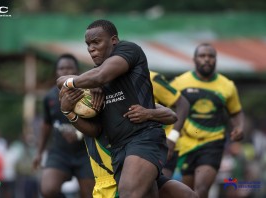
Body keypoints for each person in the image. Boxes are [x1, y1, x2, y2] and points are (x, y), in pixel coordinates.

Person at [57, 19, 169, 198]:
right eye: (88, 44)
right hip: (119, 151)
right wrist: (69, 111)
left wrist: (76, 82)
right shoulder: (93, 82)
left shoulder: (129, 50)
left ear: (114, 40)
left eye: (96, 42)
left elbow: (100, 75)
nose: (91, 48)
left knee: (128, 194)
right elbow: (96, 129)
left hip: (143, 138)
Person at [60, 87, 198, 198]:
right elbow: (63, 80)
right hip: (111, 183)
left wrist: (148, 113)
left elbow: (172, 115)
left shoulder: (127, 99)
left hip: (139, 169)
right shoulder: (90, 113)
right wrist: (69, 111)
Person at [170, 43, 245, 198]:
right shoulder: (179, 82)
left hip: (213, 142)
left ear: (216, 60)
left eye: (210, 56)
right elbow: (165, 106)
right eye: (202, 56)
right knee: (187, 192)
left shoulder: (227, 86)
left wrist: (240, 127)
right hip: (186, 143)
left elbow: (236, 112)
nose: (206, 60)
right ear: (194, 59)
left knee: (202, 189)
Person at [33, 54, 94, 198]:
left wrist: (79, 134)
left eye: (69, 68)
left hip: (85, 153)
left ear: (77, 71)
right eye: (61, 68)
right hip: (59, 153)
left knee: (90, 195)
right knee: (48, 190)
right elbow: (46, 125)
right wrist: (39, 152)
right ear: (56, 72)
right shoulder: (49, 97)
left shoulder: (88, 94)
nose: (65, 71)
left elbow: (98, 124)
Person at [150, 71, 190, 177]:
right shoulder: (109, 80)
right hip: (131, 145)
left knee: (161, 189)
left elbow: (183, 104)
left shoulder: (151, 78)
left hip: (162, 144)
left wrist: (172, 138)